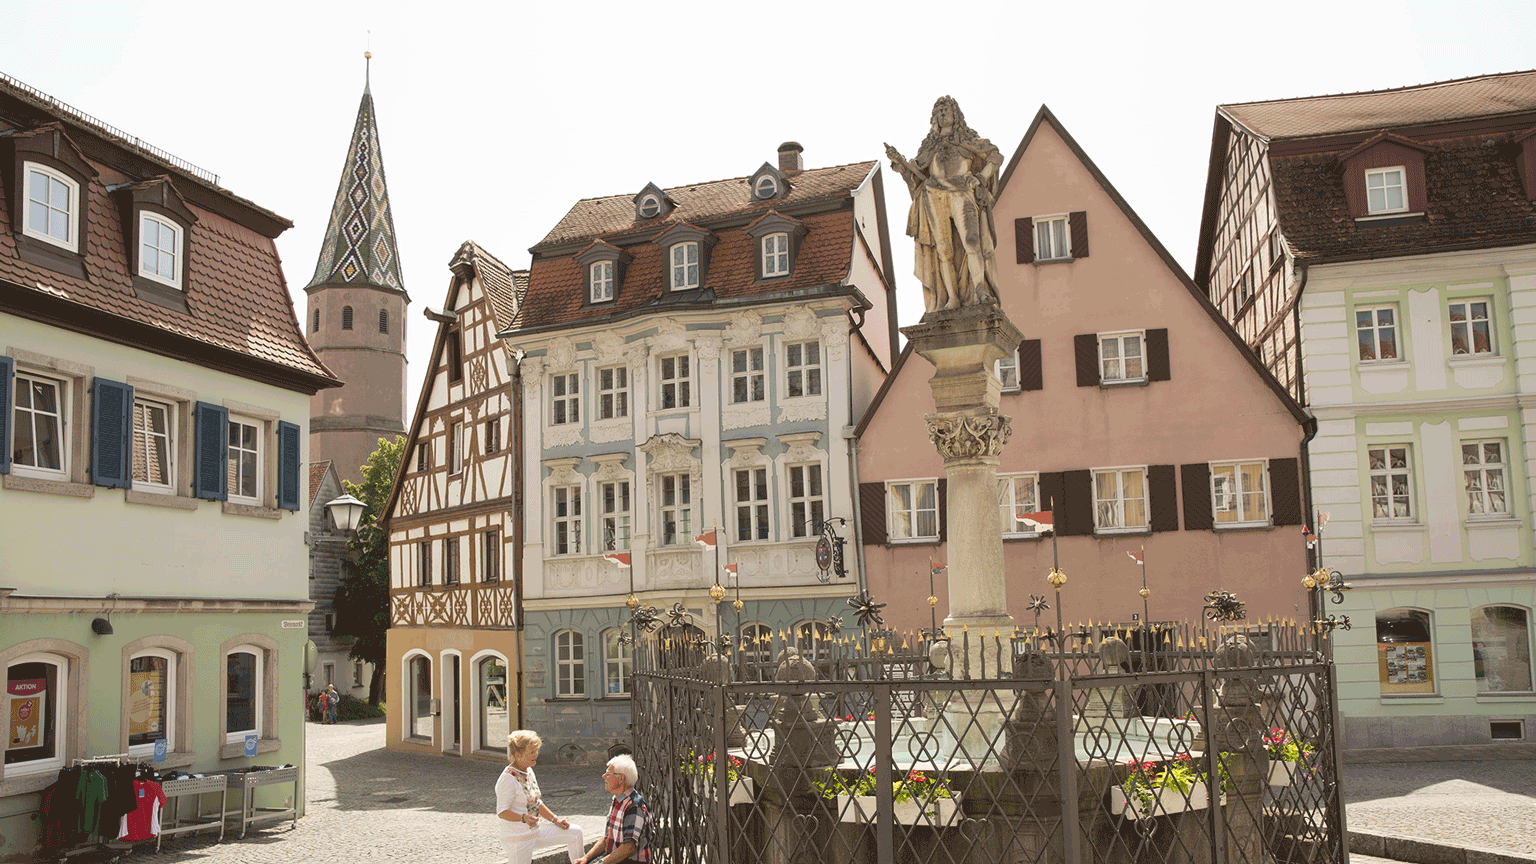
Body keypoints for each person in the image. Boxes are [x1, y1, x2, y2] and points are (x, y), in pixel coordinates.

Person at [884, 96, 1004, 314]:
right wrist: (900, 164)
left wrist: (980, 178)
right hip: (934, 194)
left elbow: (995, 157)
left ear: (955, 113)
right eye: (938, 110)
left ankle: (979, 290)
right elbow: (916, 175)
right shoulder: (929, 146)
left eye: (946, 108)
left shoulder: (967, 138)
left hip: (962, 191)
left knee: (971, 240)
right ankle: (952, 299)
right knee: (943, 248)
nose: (941, 113)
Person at [496, 730, 584, 864]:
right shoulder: (507, 779)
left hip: (534, 832)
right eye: (531, 752)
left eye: (536, 750)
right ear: (518, 755)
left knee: (575, 833)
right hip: (517, 838)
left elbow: (537, 802)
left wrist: (555, 820)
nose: (536, 754)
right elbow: (502, 812)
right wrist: (523, 818)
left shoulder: (528, 770)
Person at [578, 754, 648, 864]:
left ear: (620, 778)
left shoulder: (634, 805)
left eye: (608, 774)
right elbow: (607, 838)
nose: (603, 776)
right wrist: (586, 858)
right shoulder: (618, 799)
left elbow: (628, 848)